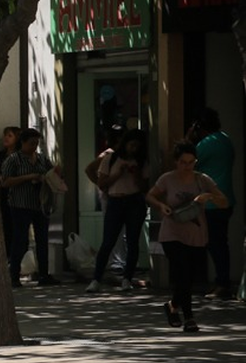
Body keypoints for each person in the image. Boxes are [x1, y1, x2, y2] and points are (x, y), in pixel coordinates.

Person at [146, 141, 229, 333]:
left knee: (188, 277)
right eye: (183, 162)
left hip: (196, 234)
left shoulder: (203, 180)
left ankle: (173, 306)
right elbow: (150, 196)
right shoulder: (167, 179)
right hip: (172, 232)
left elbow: (224, 202)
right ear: (176, 162)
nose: (187, 166)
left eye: (191, 162)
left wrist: (208, 197)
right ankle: (189, 318)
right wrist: (161, 206)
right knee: (182, 272)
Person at [87, 129, 150, 292]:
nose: (133, 149)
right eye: (131, 145)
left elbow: (145, 187)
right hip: (115, 200)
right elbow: (102, 183)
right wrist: (118, 174)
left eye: (137, 146)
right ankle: (96, 279)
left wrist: (136, 175)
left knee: (132, 241)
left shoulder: (142, 161)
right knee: (108, 241)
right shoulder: (111, 158)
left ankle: (127, 278)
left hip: (134, 201)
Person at [185, 108, 236, 301]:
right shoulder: (225, 139)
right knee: (219, 242)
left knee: (213, 243)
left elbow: (186, 163)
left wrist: (188, 139)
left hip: (211, 202)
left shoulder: (206, 144)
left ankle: (222, 283)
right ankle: (222, 281)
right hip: (225, 199)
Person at [1, 128, 60, 287]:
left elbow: (51, 174)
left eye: (36, 143)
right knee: (20, 239)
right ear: (23, 143)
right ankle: (14, 275)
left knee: (42, 239)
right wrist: (28, 177)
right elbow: (5, 182)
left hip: (40, 205)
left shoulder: (41, 159)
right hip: (20, 204)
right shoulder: (14, 160)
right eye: (31, 143)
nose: (34, 147)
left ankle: (44, 274)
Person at [0, 127, 21, 265]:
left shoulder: (19, 156)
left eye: (10, 136)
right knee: (5, 224)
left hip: (16, 195)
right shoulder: (1, 155)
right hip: (3, 195)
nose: (6, 138)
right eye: (5, 135)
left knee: (15, 225)